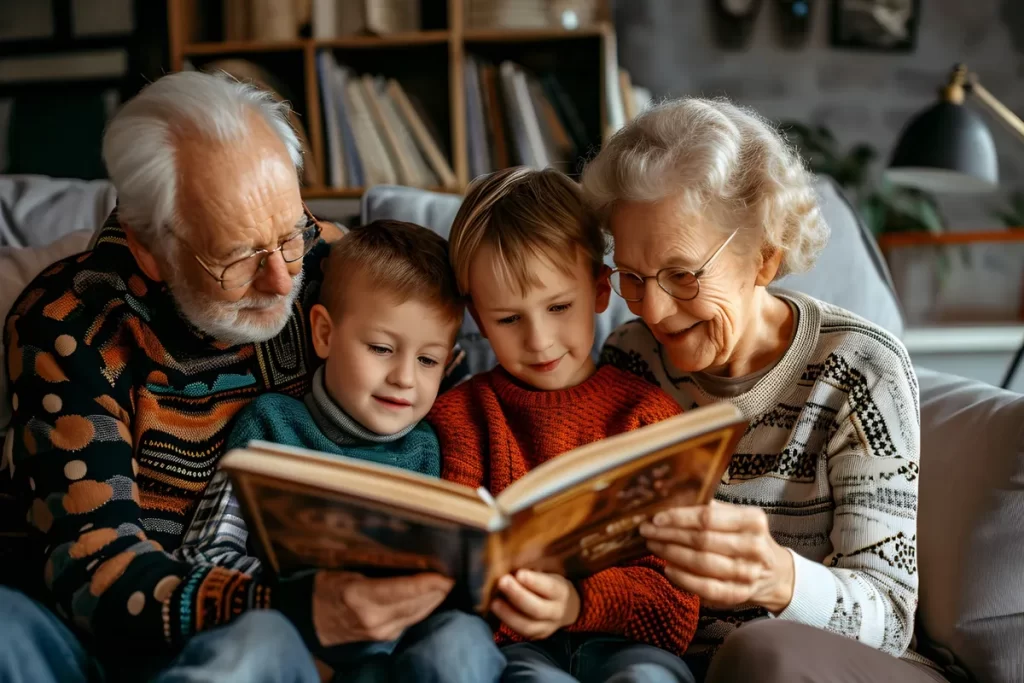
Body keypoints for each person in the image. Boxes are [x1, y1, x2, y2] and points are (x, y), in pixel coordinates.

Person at [0, 70, 454, 682]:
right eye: (236, 257)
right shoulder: (70, 324)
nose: (280, 281)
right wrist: (291, 606)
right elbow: (98, 574)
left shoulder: (331, 267)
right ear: (147, 247)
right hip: (119, 628)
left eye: (290, 236)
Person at [579, 97, 948, 682]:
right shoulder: (631, 357)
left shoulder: (858, 370)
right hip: (662, 663)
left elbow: (891, 616)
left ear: (765, 258)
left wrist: (780, 578)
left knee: (758, 653)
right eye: (631, 276)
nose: (651, 309)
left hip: (832, 665)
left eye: (681, 274)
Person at [183, 219, 505, 683]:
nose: (404, 378)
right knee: (253, 641)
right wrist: (299, 595)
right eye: (380, 348)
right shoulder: (272, 426)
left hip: (400, 658)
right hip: (298, 644)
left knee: (461, 639)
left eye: (428, 360)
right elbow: (206, 554)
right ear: (324, 334)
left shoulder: (431, 448)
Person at [427, 167, 700, 683]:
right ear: (477, 318)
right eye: (508, 319)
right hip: (519, 651)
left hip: (633, 649)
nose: (539, 340)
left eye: (558, 307)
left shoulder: (648, 417)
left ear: (600, 291)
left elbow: (676, 609)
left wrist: (579, 602)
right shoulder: (460, 418)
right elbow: (454, 583)